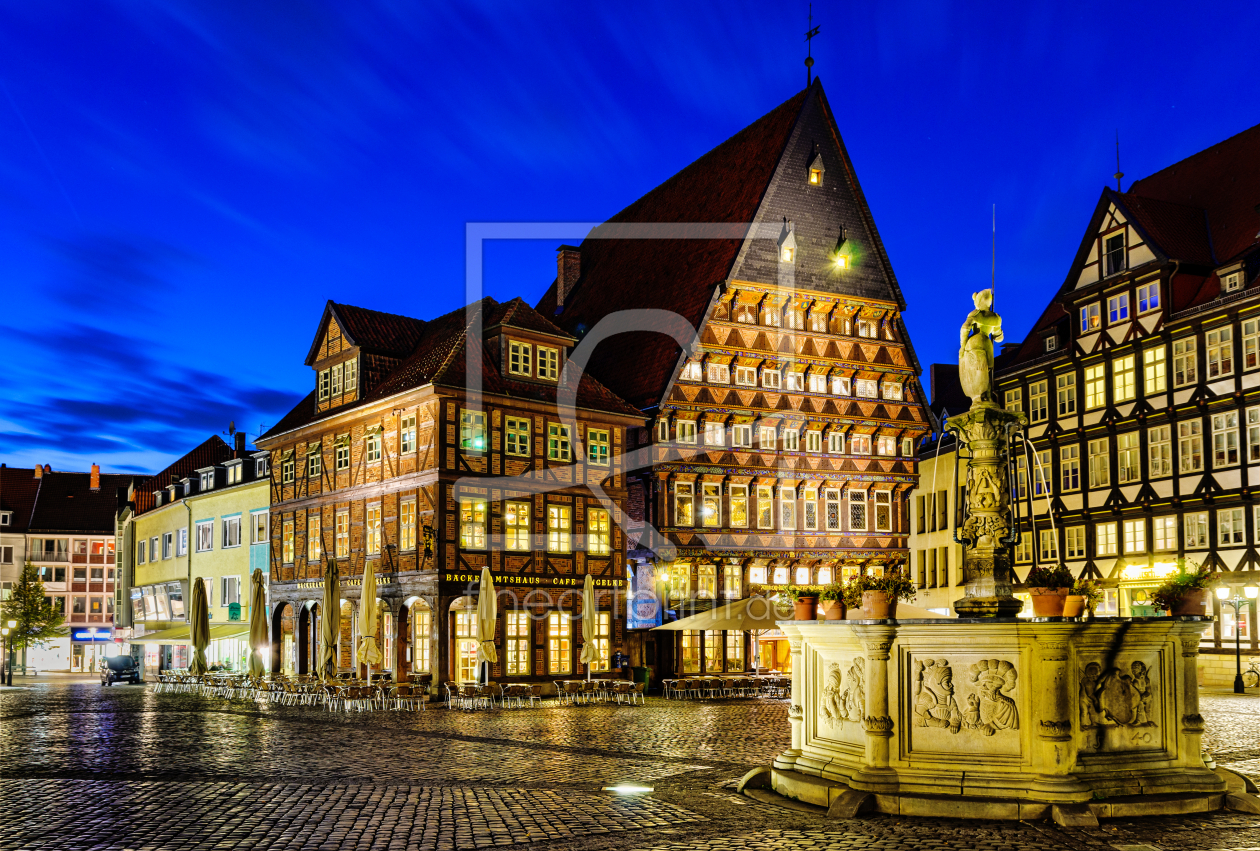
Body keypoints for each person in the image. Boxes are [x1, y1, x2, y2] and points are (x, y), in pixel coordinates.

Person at [958, 288, 1004, 405]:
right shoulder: (996, 318)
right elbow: (999, 338)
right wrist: (997, 329)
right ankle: (987, 396)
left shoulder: (975, 314)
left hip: (975, 341)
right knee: (987, 370)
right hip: (987, 342)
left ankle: (977, 397)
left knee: (975, 370)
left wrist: (963, 346)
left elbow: (964, 328)